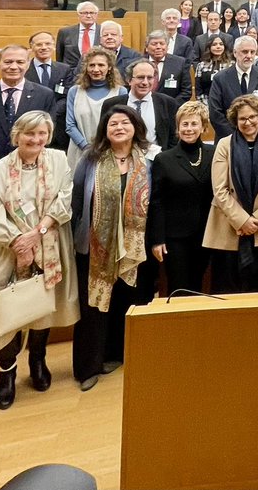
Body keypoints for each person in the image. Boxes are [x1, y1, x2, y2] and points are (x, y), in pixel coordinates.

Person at [0, 111, 78, 409]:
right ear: (17, 136)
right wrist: (18, 241)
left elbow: (64, 199)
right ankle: (7, 372)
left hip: (49, 243)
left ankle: (38, 360)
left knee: (41, 305)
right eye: (30, 134)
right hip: (5, 249)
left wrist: (37, 233)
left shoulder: (58, 160)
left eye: (42, 133)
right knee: (6, 308)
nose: (36, 139)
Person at [71, 105, 153, 390]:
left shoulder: (148, 159)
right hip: (95, 246)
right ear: (105, 130)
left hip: (133, 248)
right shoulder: (90, 160)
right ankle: (89, 366)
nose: (119, 127)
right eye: (113, 124)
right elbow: (77, 201)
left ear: (135, 127)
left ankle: (117, 355)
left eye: (125, 122)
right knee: (93, 305)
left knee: (125, 301)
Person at [204, 96, 258, 293]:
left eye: (252, 117)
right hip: (229, 229)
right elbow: (220, 190)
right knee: (227, 292)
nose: (248, 122)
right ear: (235, 121)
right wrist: (243, 221)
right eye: (242, 119)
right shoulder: (224, 145)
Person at [147, 100, 215, 294]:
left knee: (201, 285)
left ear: (203, 127)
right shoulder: (164, 159)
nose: (189, 129)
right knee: (179, 288)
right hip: (175, 238)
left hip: (206, 234)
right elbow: (157, 203)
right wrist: (157, 240)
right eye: (184, 124)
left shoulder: (214, 153)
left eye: (194, 124)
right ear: (177, 128)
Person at [0, 44, 58, 158]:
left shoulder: (44, 95)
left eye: (20, 62)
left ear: (28, 65)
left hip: (30, 163)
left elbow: (47, 133)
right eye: (8, 62)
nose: (13, 67)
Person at [207, 36, 258, 140]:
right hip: (228, 138)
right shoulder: (220, 78)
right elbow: (215, 112)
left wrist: (254, 133)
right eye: (245, 52)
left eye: (252, 52)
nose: (249, 56)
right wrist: (235, 137)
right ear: (235, 53)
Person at [65, 48, 125, 169]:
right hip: (79, 151)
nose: (96, 69)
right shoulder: (75, 91)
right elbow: (70, 125)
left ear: (109, 68)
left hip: (110, 151)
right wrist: (86, 147)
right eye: (91, 65)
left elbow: (121, 124)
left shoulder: (120, 92)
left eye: (101, 65)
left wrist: (102, 148)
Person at [99, 58, 178, 151]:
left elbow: (174, 137)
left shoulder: (168, 103)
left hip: (156, 161)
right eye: (140, 77)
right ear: (129, 80)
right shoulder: (111, 104)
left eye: (149, 78)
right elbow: (104, 135)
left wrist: (164, 159)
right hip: (121, 159)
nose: (145, 82)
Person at [144, 30, 193, 102]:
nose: (158, 47)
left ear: (167, 47)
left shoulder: (180, 63)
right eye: (154, 44)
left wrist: (171, 106)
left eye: (162, 43)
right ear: (147, 48)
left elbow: (186, 92)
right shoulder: (139, 63)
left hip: (171, 109)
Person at [57, 2, 101, 66]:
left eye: (92, 13)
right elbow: (59, 57)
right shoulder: (65, 32)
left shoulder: (103, 31)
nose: (88, 16)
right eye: (85, 13)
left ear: (96, 15)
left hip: (97, 72)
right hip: (71, 74)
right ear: (78, 14)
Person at [193, 35, 231, 105]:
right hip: (205, 103)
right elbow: (198, 89)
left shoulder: (231, 65)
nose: (218, 46)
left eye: (221, 44)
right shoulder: (201, 65)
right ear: (209, 47)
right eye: (214, 44)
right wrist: (205, 105)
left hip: (226, 103)